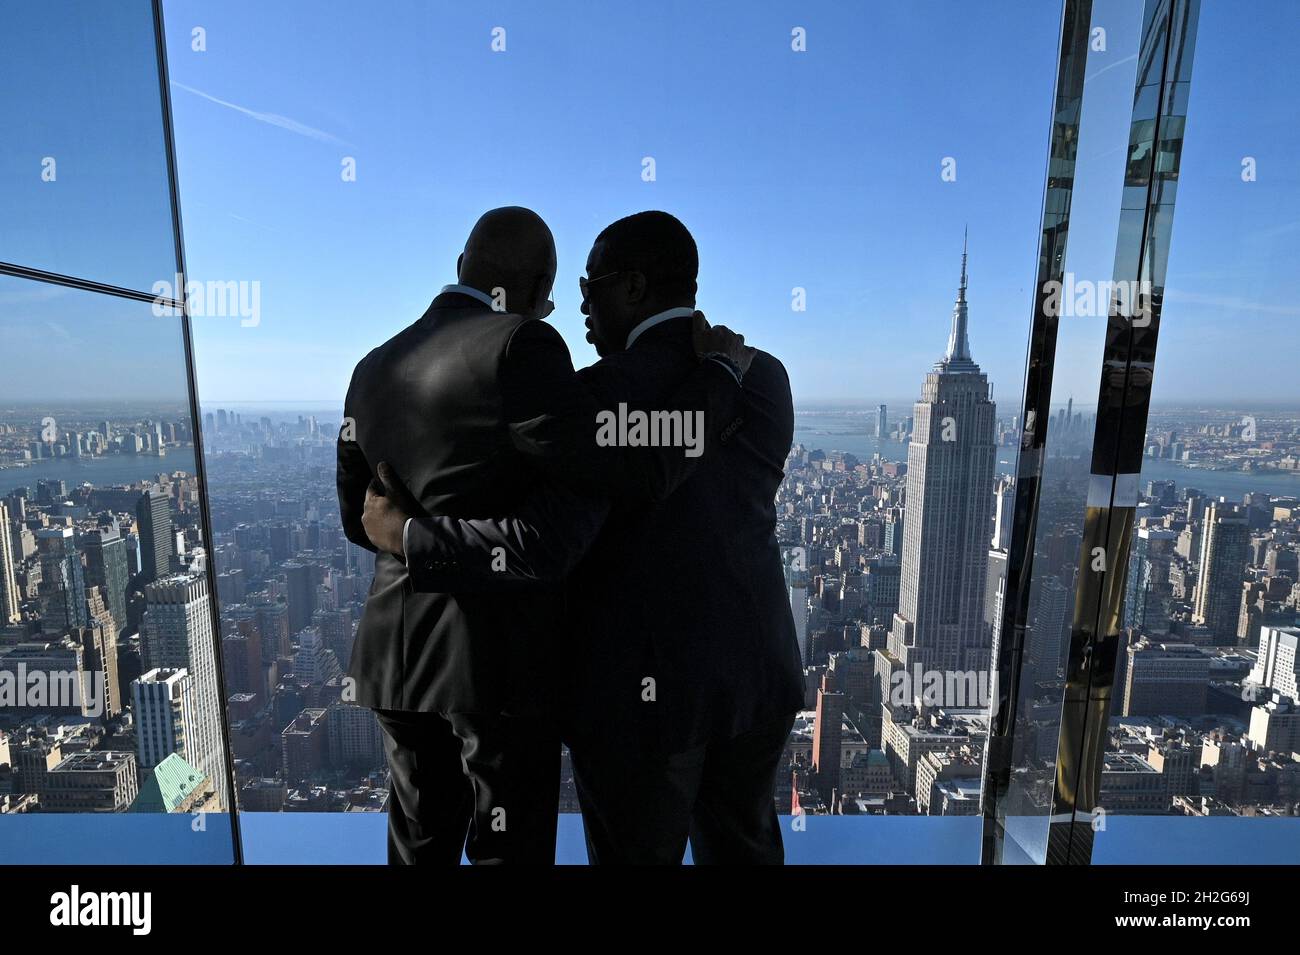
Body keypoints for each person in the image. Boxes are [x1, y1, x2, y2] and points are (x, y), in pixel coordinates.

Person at [362, 211, 805, 864]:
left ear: (631, 287)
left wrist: (410, 536)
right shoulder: (762, 376)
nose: (577, 302)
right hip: (756, 680)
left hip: (637, 702)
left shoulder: (590, 396)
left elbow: (549, 536)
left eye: (590, 284)